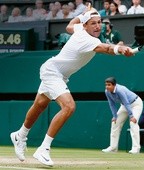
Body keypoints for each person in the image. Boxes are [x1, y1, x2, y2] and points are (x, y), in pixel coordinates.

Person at [10, 9, 134, 167]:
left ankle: (20, 135)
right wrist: (120, 49)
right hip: (52, 72)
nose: (98, 27)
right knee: (69, 107)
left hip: (57, 73)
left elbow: (70, 25)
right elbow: (107, 49)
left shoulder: (79, 29)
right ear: (86, 26)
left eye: (99, 23)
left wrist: (83, 15)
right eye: (93, 23)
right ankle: (43, 148)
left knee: (40, 105)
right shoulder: (87, 39)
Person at [102, 77, 143, 154]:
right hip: (124, 105)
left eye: (109, 85)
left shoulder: (120, 90)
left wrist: (131, 116)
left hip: (135, 104)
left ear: (114, 85)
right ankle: (113, 148)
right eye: (106, 85)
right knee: (115, 122)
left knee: (133, 123)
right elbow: (111, 104)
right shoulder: (107, 92)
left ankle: (136, 148)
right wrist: (114, 116)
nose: (107, 87)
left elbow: (126, 102)